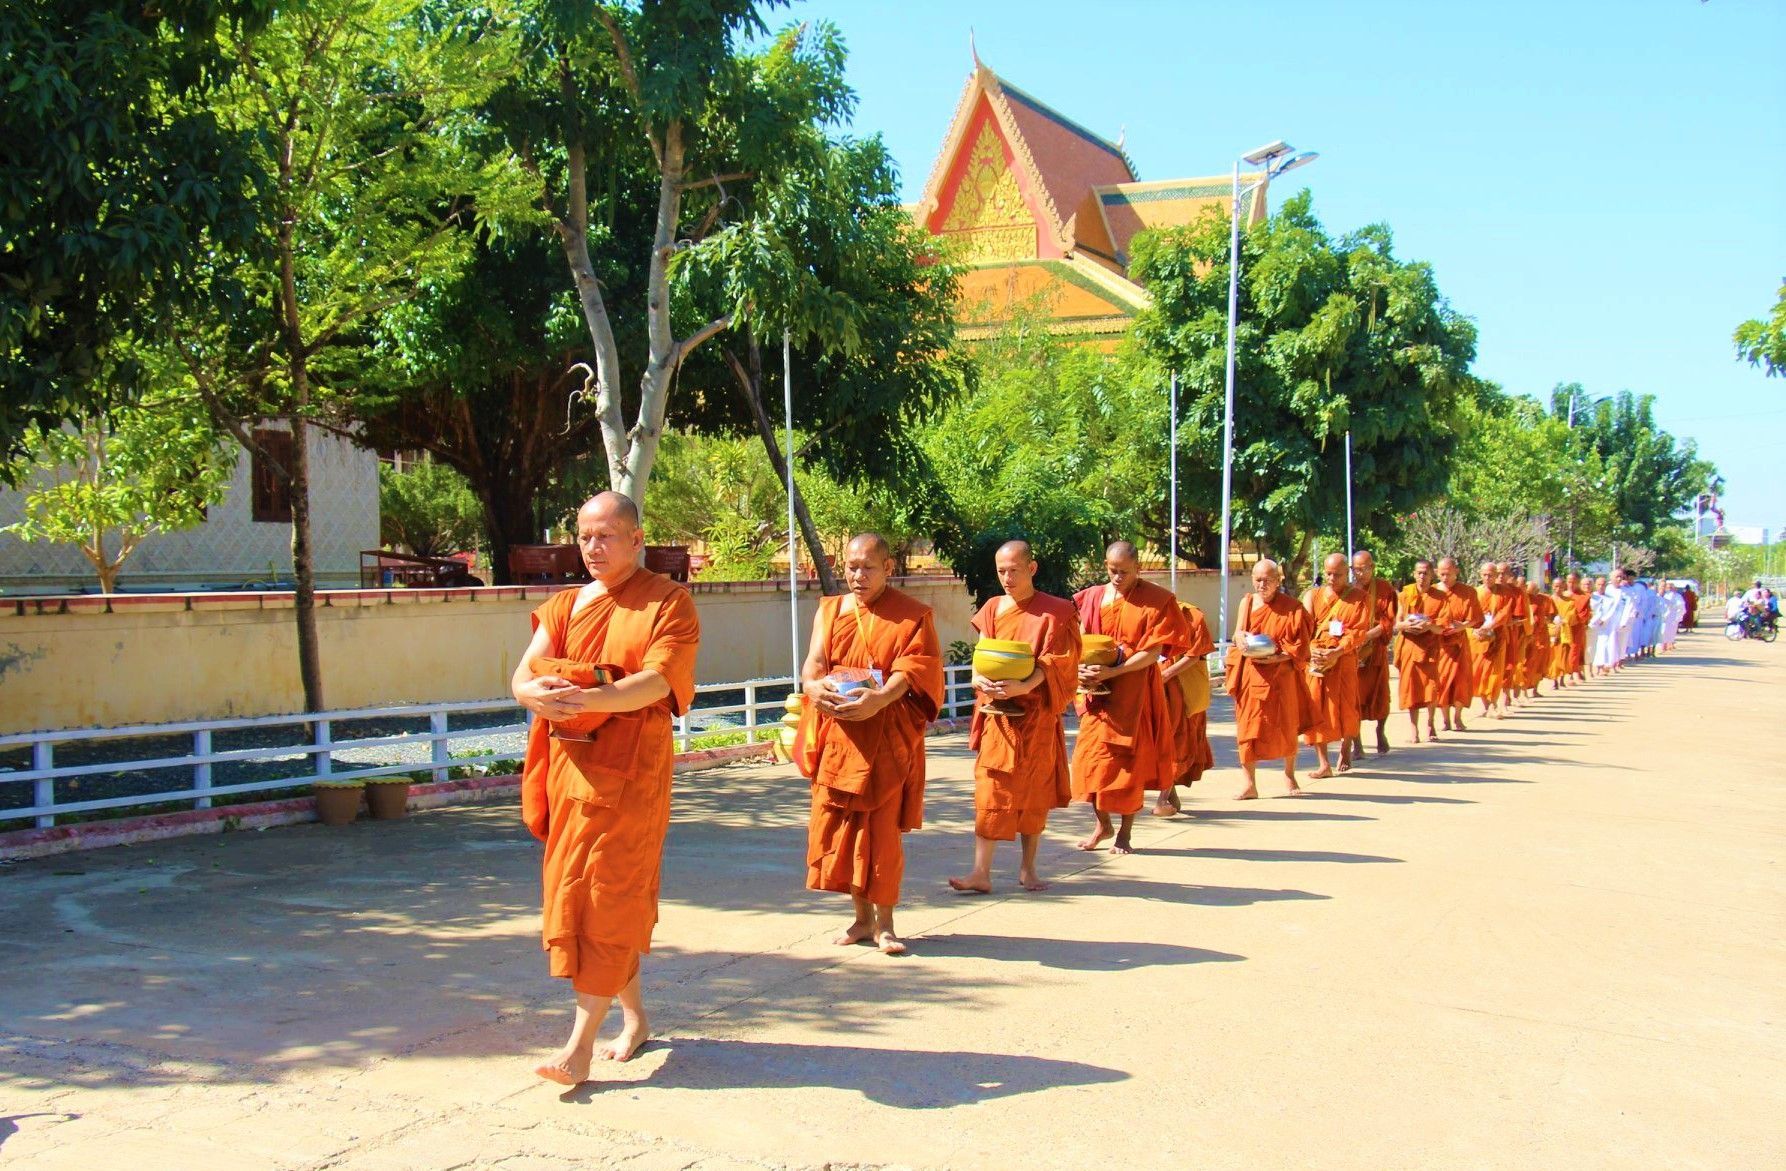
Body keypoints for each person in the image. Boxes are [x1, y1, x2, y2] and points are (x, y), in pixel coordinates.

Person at [512, 492, 702, 1086]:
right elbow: (523, 673)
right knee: (585, 896)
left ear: (636, 538)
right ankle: (636, 1019)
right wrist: (532, 695)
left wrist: (588, 700)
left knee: (608, 896)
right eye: (586, 536)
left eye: (608, 536)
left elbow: (656, 681)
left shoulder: (668, 602)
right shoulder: (565, 605)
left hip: (632, 775)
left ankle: (578, 1045)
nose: (594, 548)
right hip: (572, 770)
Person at [801, 532, 945, 955]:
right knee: (844, 831)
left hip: (885, 736)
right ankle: (861, 920)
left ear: (888, 568)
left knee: (881, 835)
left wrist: (880, 698)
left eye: (868, 567)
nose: (858, 575)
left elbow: (917, 668)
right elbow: (814, 663)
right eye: (851, 566)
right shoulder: (830, 610)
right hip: (841, 733)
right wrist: (813, 688)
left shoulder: (912, 615)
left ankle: (886, 925)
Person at [949, 541, 1080, 894]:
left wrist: (1025, 686)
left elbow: (1058, 662)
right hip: (998, 718)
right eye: (1001, 571)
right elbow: (984, 652)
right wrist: (977, 678)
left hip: (1036, 717)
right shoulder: (993, 608)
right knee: (990, 791)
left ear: (1032, 568)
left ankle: (1028, 869)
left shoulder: (1057, 612)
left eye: (1014, 570)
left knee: (1034, 794)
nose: (1007, 578)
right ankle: (980, 872)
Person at [1070, 541, 1188, 853]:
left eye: (1124, 571)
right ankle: (1102, 824)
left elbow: (1153, 653)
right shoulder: (1094, 596)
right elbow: (1082, 639)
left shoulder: (1157, 600)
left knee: (1128, 764)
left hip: (1134, 691)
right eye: (1112, 570)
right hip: (1098, 692)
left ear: (1138, 568)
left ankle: (1124, 833)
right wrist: (1080, 669)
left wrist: (1115, 672)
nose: (1118, 577)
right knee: (1090, 761)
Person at [1229, 559, 1314, 798]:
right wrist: (1241, 638)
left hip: (1281, 675)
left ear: (1278, 581)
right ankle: (1249, 783)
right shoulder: (1246, 603)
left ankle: (1289, 775)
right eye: (1258, 579)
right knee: (1247, 728)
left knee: (1286, 725)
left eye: (1268, 580)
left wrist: (1280, 657)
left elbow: (1301, 647)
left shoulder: (1293, 608)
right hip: (1251, 672)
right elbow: (1237, 633)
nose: (1262, 585)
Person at [1300, 552, 1371, 778]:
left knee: (1346, 706)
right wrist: (1314, 651)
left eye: (1338, 574)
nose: (1332, 578)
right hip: (1318, 660)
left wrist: (1337, 652)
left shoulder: (1359, 598)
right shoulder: (1313, 595)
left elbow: (1358, 632)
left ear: (1347, 572)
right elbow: (1304, 629)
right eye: (1328, 574)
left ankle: (1346, 748)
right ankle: (1323, 763)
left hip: (1344, 658)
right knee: (1316, 708)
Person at [1155, 597, 1217, 816]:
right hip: (1153, 684)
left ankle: (1163, 797)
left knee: (1176, 740)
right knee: (1156, 739)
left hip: (1182, 687)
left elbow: (1195, 654)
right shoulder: (1145, 612)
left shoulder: (1191, 615)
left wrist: (1166, 674)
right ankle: (1168, 793)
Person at [1347, 550, 1398, 757]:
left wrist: (1367, 636)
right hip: (1354, 652)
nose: (1358, 574)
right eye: (1354, 570)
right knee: (1354, 698)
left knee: (1381, 696)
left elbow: (1388, 621)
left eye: (1362, 569)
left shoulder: (1384, 589)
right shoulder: (1348, 591)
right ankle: (1357, 744)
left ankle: (1380, 731)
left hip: (1375, 651)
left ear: (1372, 567)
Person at [1394, 558, 1448, 743]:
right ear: (1414, 574)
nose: (1422, 576)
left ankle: (1430, 723)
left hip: (1429, 648)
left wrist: (1428, 625)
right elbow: (1397, 622)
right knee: (1411, 688)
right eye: (1419, 573)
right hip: (1410, 646)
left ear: (1432, 574)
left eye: (1426, 573)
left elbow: (1443, 627)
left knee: (1431, 689)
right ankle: (1413, 728)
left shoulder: (1440, 597)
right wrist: (1407, 625)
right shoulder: (1405, 594)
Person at [1434, 557, 1483, 731]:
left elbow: (1477, 618)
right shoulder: (1433, 592)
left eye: (1448, 574)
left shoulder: (1468, 592)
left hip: (1459, 643)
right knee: (1443, 681)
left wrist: (1463, 626)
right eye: (1441, 574)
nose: (1445, 577)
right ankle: (1445, 719)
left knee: (1461, 681)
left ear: (1457, 572)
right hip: (1440, 645)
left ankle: (1458, 718)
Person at [1472, 561, 1516, 719]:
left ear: (1496, 576)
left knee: (1495, 673)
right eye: (1484, 575)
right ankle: (1486, 704)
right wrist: (1477, 628)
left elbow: (1505, 613)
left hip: (1498, 636)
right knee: (1479, 673)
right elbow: (1470, 613)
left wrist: (1491, 625)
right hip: (1479, 637)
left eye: (1491, 575)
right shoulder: (1476, 592)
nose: (1487, 578)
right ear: (1480, 575)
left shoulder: (1505, 593)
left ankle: (1493, 705)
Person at [1524, 579, 1555, 698]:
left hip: (1542, 636)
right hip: (1528, 636)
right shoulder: (1523, 599)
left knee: (1540, 664)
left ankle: (1535, 689)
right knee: (1526, 664)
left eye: (1536, 590)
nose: (1534, 593)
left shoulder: (1544, 599)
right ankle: (1523, 692)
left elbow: (1551, 615)